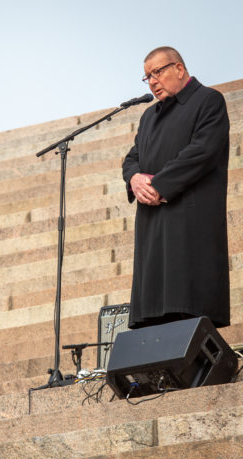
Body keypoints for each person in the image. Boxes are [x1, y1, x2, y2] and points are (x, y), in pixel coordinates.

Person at [122, 46, 230, 330]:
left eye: (157, 72)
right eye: (147, 77)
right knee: (155, 311)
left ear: (179, 69)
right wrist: (134, 180)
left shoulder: (208, 101)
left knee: (186, 304)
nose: (153, 81)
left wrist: (158, 185)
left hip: (189, 218)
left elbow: (202, 151)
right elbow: (132, 157)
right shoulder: (149, 117)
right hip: (152, 222)